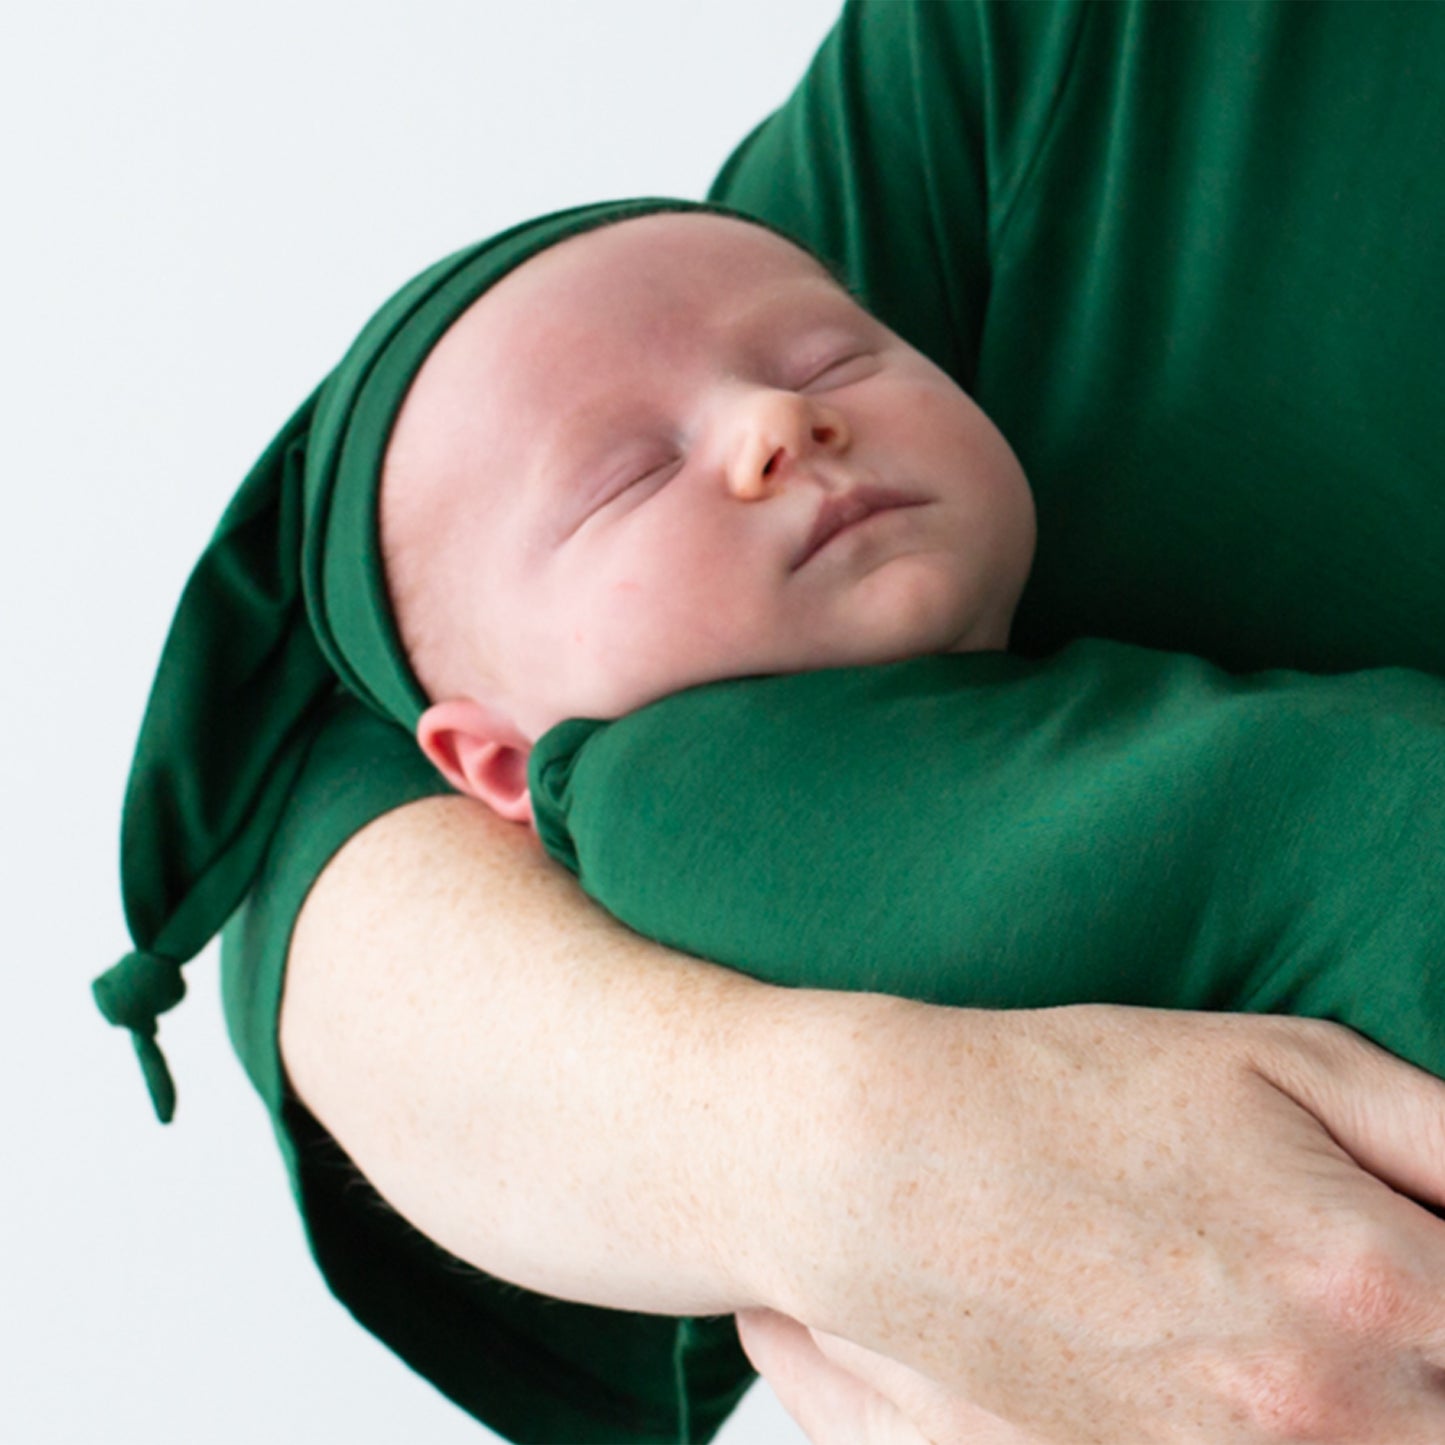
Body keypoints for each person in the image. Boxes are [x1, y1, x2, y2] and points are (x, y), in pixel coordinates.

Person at [98, 3, 1445, 1442]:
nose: (775, 424)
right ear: (490, 765)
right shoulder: (677, 800)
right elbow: (307, 771)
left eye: (830, 363)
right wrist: (816, 1145)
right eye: (626, 476)